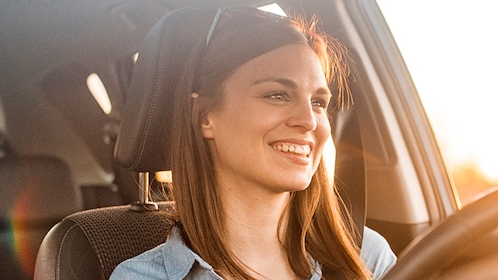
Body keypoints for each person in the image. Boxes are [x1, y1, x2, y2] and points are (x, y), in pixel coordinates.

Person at [110, 6, 396, 280]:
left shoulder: (366, 257)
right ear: (204, 117)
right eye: (277, 95)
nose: (309, 121)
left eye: (319, 102)